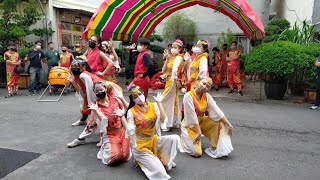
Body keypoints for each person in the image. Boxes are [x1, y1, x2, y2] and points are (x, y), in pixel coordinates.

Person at [126, 84, 180, 180]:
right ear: (132, 100)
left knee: (175, 138)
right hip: (140, 145)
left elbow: (163, 120)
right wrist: (133, 146)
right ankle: (143, 159)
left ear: (143, 93)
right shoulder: (131, 111)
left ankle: (162, 160)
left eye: (139, 94)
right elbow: (130, 131)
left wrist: (159, 103)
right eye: (135, 97)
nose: (139, 97)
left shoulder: (153, 106)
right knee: (159, 172)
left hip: (153, 140)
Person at [67, 60, 124, 146]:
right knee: (101, 118)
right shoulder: (78, 77)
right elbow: (82, 93)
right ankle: (101, 137)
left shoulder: (83, 75)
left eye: (77, 66)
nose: (74, 68)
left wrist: (93, 106)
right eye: (73, 66)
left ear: (83, 67)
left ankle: (110, 136)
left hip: (109, 91)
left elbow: (90, 91)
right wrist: (73, 82)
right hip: (102, 93)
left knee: (107, 116)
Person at [180, 77, 234, 158]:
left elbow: (217, 111)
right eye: (203, 83)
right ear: (197, 83)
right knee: (197, 153)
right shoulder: (188, 96)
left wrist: (229, 124)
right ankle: (184, 141)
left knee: (220, 122)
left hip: (201, 122)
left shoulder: (207, 96)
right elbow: (192, 117)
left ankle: (214, 147)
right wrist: (199, 132)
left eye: (208, 86)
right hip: (190, 125)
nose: (205, 86)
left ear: (208, 90)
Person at [88, 81, 130, 165]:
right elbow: (102, 122)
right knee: (116, 156)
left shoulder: (115, 99)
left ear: (105, 89)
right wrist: (96, 111)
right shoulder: (96, 106)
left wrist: (122, 99)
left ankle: (119, 147)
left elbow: (127, 109)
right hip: (110, 134)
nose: (99, 92)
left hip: (122, 131)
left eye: (101, 89)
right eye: (96, 91)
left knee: (125, 156)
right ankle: (107, 146)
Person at [160, 39, 184, 131]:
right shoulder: (172, 58)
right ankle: (174, 121)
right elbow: (163, 70)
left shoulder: (179, 58)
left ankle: (168, 122)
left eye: (175, 48)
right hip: (169, 81)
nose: (172, 49)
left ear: (180, 49)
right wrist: (167, 58)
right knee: (172, 101)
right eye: (172, 47)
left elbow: (175, 71)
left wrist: (175, 80)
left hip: (172, 81)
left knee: (165, 101)